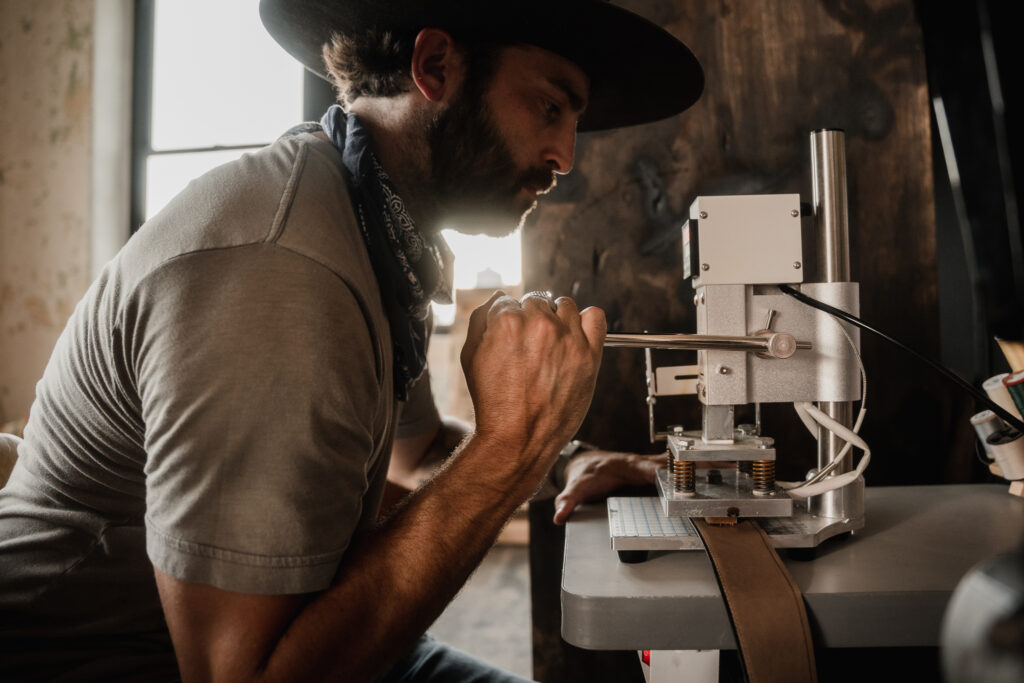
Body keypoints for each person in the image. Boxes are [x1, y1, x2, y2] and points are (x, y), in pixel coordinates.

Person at [0, 1, 703, 680]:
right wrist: (510, 449)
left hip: (289, 626)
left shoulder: (376, 230)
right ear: (434, 65)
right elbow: (238, 677)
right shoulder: (285, 273)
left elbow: (418, 453)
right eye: (551, 107)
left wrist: (563, 459)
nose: (566, 155)